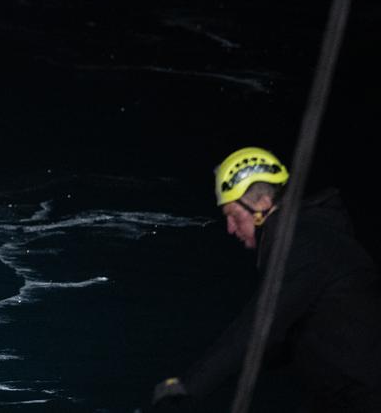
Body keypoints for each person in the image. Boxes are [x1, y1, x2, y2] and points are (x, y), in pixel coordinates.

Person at [151, 147, 381, 411]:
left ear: (261, 205)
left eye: (234, 215)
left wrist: (186, 388)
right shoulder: (305, 238)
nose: (230, 228)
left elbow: (256, 328)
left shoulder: (304, 243)